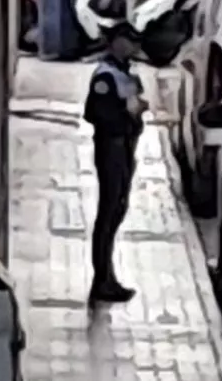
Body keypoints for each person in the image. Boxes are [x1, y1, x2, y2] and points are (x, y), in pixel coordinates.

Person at [83, 21, 148, 304]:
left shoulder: (124, 73)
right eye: (128, 41)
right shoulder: (105, 76)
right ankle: (102, 280)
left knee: (118, 208)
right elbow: (95, 113)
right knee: (108, 213)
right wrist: (126, 114)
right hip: (111, 147)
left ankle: (108, 277)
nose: (132, 47)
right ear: (116, 42)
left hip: (124, 147)